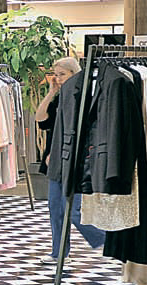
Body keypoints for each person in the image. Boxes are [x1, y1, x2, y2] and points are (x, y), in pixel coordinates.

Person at [35, 56, 105, 264]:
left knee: (74, 211)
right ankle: (59, 252)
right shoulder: (59, 99)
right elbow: (40, 119)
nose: (58, 79)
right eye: (56, 75)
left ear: (75, 74)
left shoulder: (84, 99)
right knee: (55, 209)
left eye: (62, 75)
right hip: (55, 161)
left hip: (76, 161)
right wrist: (51, 93)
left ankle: (106, 238)